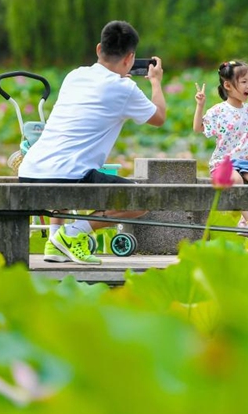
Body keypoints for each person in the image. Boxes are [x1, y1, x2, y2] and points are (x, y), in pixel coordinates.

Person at [18, 20, 166, 264]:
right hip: (66, 176)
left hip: (30, 171)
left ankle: (55, 243)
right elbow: (158, 117)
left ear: (99, 49)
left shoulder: (74, 75)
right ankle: (73, 233)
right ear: (130, 58)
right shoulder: (125, 88)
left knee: (67, 166)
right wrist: (155, 82)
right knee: (143, 199)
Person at [193, 60, 248, 243]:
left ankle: (244, 220)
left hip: (247, 161)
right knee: (235, 179)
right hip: (223, 163)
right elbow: (198, 128)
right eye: (244, 82)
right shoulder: (218, 110)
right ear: (227, 85)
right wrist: (200, 105)